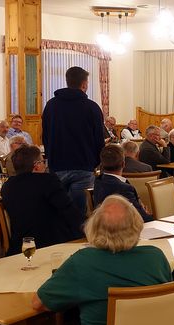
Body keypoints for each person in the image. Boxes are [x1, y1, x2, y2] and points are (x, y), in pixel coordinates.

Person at [32, 195, 174, 325]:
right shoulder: (155, 256)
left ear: (93, 227)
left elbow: (38, 303)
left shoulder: (82, 262)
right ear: (137, 226)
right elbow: (167, 302)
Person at [42, 66, 105, 215]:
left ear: (67, 81)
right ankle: (78, 237)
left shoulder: (51, 106)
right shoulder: (92, 107)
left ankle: (61, 238)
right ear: (84, 84)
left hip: (57, 165)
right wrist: (95, 162)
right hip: (84, 166)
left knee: (58, 211)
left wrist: (50, 158)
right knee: (79, 213)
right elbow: (99, 140)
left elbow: (45, 136)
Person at [1, 145, 85, 255]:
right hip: (51, 243)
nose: (45, 166)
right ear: (36, 165)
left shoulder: (7, 186)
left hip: (20, 245)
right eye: (43, 161)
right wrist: (88, 228)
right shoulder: (47, 181)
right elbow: (68, 210)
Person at [93, 145, 153, 222]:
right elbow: (141, 218)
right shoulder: (124, 188)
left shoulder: (98, 181)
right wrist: (148, 215)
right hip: (122, 228)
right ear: (123, 164)